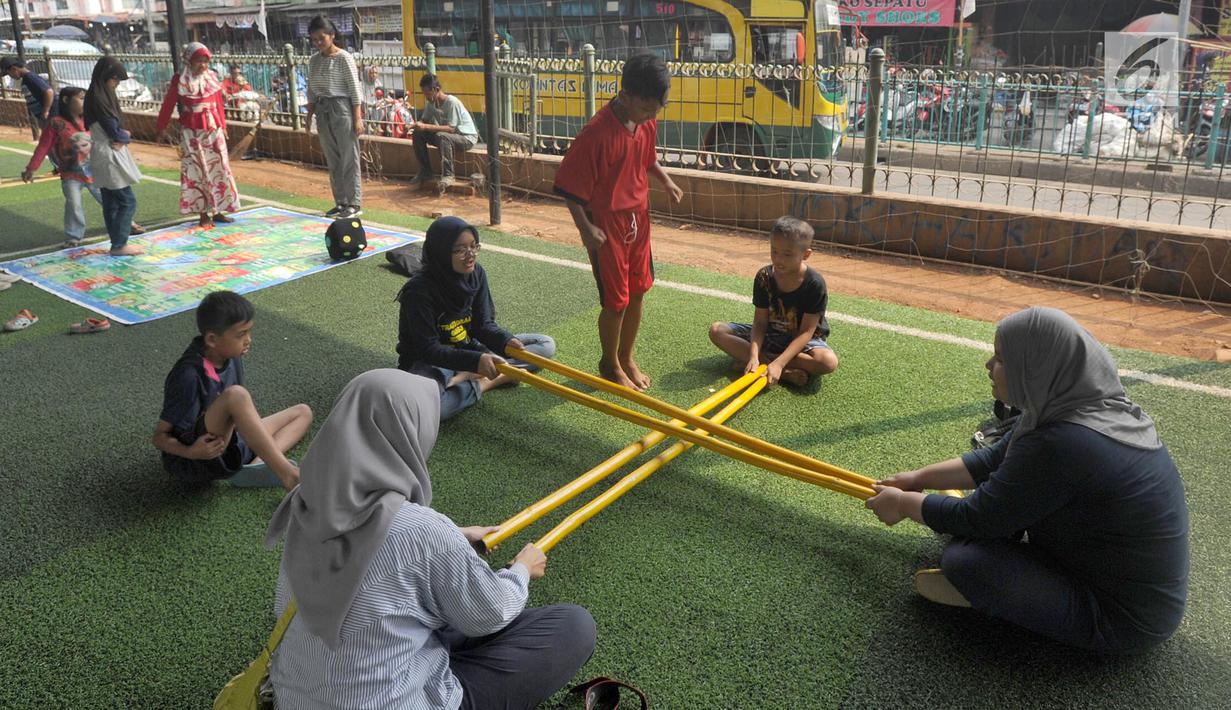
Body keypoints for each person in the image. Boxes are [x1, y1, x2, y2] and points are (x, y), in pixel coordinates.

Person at [265, 368, 597, 709]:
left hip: (297, 699)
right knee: (573, 627)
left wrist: (451, 540)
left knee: (434, 608)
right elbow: (490, 613)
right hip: (393, 701)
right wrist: (521, 569)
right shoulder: (420, 532)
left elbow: (379, 559)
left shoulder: (307, 501)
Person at [865, 307, 1189, 654]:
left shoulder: (1063, 442)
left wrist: (903, 504)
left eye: (1001, 359)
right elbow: (992, 459)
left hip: (1119, 620)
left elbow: (979, 519)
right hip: (1100, 575)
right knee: (975, 522)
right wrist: (917, 478)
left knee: (966, 561)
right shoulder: (1077, 405)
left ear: (1035, 368)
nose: (989, 366)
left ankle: (986, 592)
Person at [553, 52, 683, 392]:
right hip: (606, 224)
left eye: (658, 109)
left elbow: (647, 158)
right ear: (624, 96)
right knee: (616, 301)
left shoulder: (646, 119)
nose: (652, 116)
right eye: (646, 109)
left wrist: (665, 180)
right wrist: (585, 228)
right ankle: (609, 363)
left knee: (640, 291)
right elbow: (569, 188)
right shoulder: (595, 135)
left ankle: (626, 357)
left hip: (638, 219)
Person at [396, 216, 557, 421]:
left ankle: (473, 375)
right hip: (431, 361)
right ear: (441, 252)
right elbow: (427, 349)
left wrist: (505, 340)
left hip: (469, 347)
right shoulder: (418, 291)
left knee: (544, 344)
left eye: (474, 246)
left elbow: (483, 325)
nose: (470, 255)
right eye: (460, 250)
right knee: (433, 409)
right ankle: (489, 380)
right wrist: (476, 361)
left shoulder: (476, 273)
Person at [153, 291, 311, 491]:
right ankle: (288, 476)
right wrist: (192, 452)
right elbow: (159, 437)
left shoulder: (231, 355)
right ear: (212, 339)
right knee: (236, 395)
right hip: (201, 458)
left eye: (249, 331)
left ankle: (254, 468)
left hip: (233, 445)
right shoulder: (188, 375)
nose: (248, 340)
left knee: (303, 412)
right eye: (241, 334)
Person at [708, 216, 838, 387]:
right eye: (774, 251)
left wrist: (780, 362)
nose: (778, 259)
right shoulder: (764, 276)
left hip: (803, 340)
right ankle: (780, 372)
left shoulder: (814, 283)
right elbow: (760, 322)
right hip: (771, 333)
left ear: (806, 254)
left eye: (787, 254)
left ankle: (770, 364)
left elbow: (806, 331)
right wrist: (754, 355)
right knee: (717, 331)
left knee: (827, 362)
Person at [156, 43, 241, 230]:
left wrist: (223, 126)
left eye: (205, 61)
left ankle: (219, 210)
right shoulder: (180, 80)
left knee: (219, 168)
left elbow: (218, 103)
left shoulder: (212, 77)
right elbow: (169, 104)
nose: (203, 65)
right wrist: (162, 126)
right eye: (198, 61)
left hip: (213, 130)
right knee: (197, 170)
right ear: (189, 61)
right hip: (192, 133)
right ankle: (203, 214)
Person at [21, 87, 103, 247]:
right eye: (81, 98)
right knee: (74, 204)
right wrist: (31, 168)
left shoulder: (90, 120)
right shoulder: (55, 123)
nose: (84, 102)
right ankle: (74, 237)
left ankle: (126, 224)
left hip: (95, 172)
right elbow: (43, 147)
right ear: (66, 100)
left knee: (109, 199)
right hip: (71, 175)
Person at [304, 15, 364, 219]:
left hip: (342, 109)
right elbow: (311, 91)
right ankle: (341, 202)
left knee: (349, 158)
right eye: (314, 39)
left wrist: (357, 118)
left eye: (322, 38)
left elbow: (355, 91)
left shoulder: (344, 58)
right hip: (323, 110)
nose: (318, 43)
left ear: (332, 35)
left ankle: (354, 203)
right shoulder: (313, 61)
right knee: (333, 159)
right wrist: (309, 115)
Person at [83, 56, 143, 256]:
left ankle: (116, 243)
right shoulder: (101, 99)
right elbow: (114, 131)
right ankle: (119, 244)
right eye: (115, 79)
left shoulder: (95, 95)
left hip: (101, 151)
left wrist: (123, 136)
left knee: (110, 201)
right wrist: (125, 136)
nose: (117, 84)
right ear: (107, 77)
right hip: (109, 153)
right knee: (127, 200)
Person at [409, 73, 479, 192]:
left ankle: (448, 175)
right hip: (447, 137)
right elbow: (424, 120)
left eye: (427, 93)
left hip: (466, 138)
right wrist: (415, 125)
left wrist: (425, 126)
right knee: (418, 134)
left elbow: (451, 128)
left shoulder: (452, 102)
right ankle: (426, 171)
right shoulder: (431, 104)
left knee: (443, 136)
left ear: (436, 90)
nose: (426, 96)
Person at [2, 56, 56, 142]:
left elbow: (49, 92)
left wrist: (46, 110)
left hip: (51, 113)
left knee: (51, 139)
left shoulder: (30, 77)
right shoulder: (26, 79)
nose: (11, 76)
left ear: (14, 69)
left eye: (9, 74)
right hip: (42, 115)